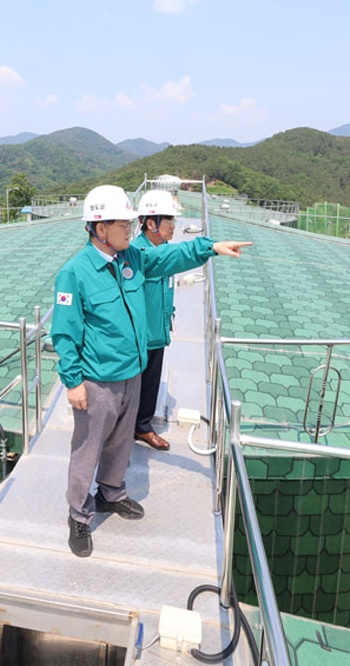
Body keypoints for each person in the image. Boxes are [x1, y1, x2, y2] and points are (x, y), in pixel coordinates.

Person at [52, 184, 251, 557]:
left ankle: (111, 492)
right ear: (100, 227)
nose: (130, 229)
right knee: (87, 449)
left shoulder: (133, 259)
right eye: (123, 224)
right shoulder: (74, 273)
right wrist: (73, 381)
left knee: (120, 443)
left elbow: (171, 257)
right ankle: (78, 515)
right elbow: (64, 333)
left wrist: (210, 247)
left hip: (132, 373)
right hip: (97, 381)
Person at [129, 189, 184, 450]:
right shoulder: (135, 253)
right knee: (133, 383)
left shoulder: (164, 249)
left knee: (151, 381)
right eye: (168, 221)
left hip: (157, 330)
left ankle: (142, 426)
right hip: (139, 334)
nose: (173, 226)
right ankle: (127, 428)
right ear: (151, 224)